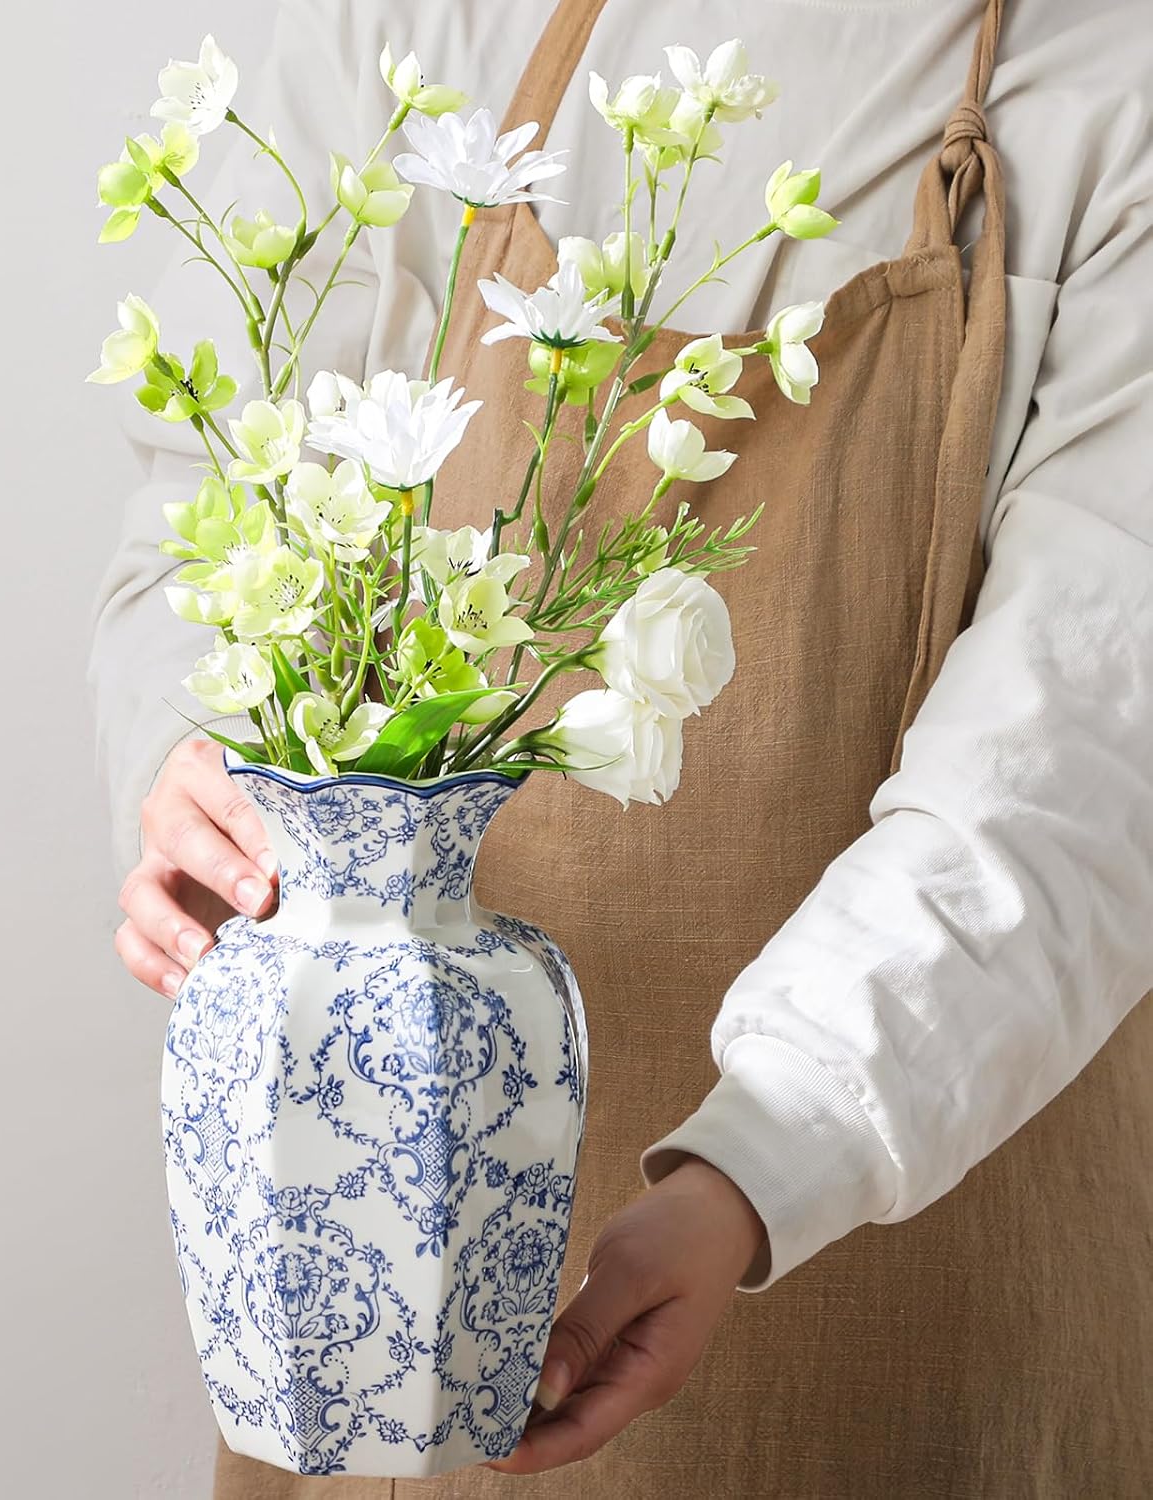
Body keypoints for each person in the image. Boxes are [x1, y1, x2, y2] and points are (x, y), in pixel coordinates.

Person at [90, 0, 1153, 1492]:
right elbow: (200, 509)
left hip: (921, 1306)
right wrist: (193, 759)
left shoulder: (1110, 86)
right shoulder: (429, 34)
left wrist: (754, 1169)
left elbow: (1083, 769)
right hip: (380, 1327)